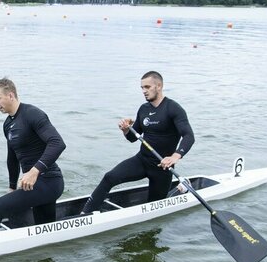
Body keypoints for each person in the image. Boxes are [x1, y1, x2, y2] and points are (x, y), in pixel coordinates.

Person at [80, 71, 195, 214]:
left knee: (153, 209)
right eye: (142, 88)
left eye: (147, 87)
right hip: (142, 160)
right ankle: (85, 214)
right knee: (109, 177)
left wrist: (175, 157)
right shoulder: (143, 109)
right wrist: (126, 130)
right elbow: (133, 138)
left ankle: (180, 189)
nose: (144, 91)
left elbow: (189, 136)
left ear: (159, 86)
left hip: (162, 167)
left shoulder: (173, 109)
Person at [0, 78, 66, 233]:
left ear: (11, 95)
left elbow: (57, 143)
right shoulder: (7, 124)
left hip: (49, 181)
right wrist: (12, 187)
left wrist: (34, 171)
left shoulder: (32, 114)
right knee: (45, 230)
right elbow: (12, 158)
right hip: (32, 185)